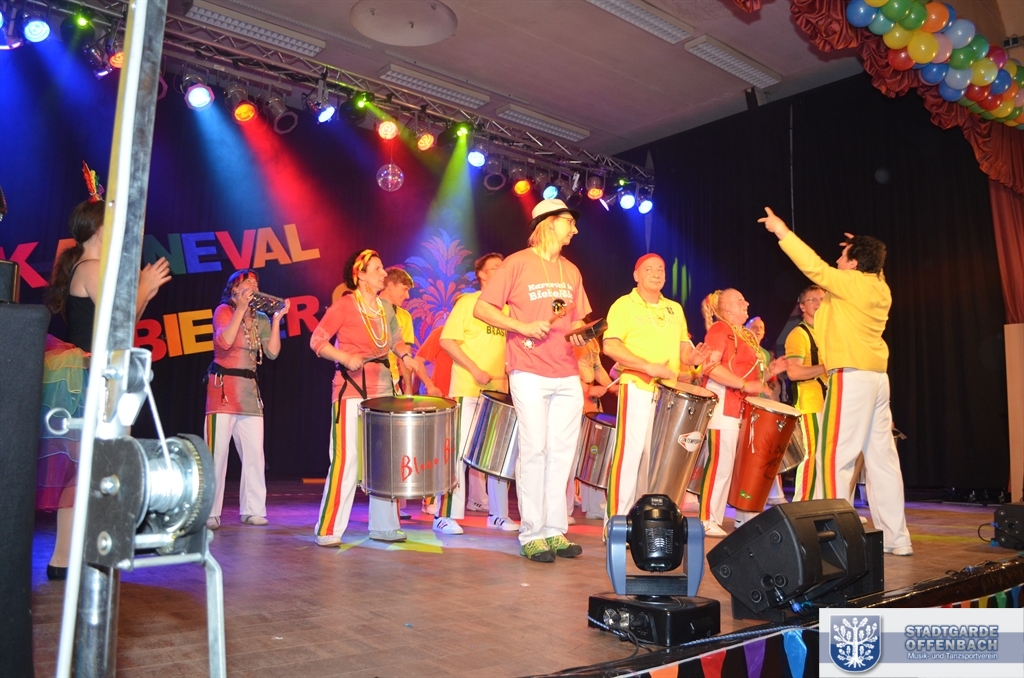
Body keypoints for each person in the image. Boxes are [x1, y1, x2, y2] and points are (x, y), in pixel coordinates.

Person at [39, 168, 171, 579]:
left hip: (94, 368)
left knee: (88, 469)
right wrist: (144, 286)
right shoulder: (93, 266)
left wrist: (144, 291)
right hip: (90, 372)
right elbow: (118, 323)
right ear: (99, 230)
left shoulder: (89, 265)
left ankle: (68, 558)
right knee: (93, 467)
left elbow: (122, 327)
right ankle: (75, 556)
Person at [759, 207, 913, 556]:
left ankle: (828, 537)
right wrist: (865, 250)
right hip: (877, 377)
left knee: (834, 456)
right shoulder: (880, 286)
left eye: (844, 257)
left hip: (852, 376)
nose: (838, 260)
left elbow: (813, 266)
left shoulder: (851, 284)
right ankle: (896, 538)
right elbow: (871, 266)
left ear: (855, 264)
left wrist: (782, 231)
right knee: (882, 460)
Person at [475, 198, 590, 563]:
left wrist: (585, 342)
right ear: (549, 222)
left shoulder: (571, 271)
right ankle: (532, 533)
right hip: (528, 369)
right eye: (569, 222)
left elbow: (575, 321)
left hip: (566, 371)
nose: (574, 229)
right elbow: (482, 308)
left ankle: (554, 530)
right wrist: (522, 326)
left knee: (561, 453)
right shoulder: (517, 263)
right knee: (535, 449)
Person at [311, 249, 424, 546]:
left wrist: (406, 357)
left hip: (383, 391)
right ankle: (328, 529)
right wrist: (344, 357)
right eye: (377, 269)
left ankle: (384, 526)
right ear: (359, 275)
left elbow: (396, 341)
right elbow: (317, 341)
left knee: (384, 460)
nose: (384, 273)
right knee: (346, 460)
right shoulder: (345, 305)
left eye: (383, 268)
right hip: (351, 390)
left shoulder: (386, 308)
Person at [600, 254, 710, 524]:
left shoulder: (674, 308)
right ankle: (616, 522)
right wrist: (648, 366)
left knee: (654, 458)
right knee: (630, 454)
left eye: (661, 269)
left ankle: (643, 521)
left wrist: (693, 357)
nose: (657, 273)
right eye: (649, 269)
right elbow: (610, 345)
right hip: (638, 386)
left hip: (669, 394)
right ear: (636, 275)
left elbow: (683, 349)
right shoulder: (624, 305)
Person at [434, 252, 519, 534]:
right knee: (458, 452)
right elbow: (447, 341)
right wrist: (475, 370)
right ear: (481, 274)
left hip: (498, 394)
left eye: (503, 268)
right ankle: (445, 515)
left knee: (498, 456)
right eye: (495, 268)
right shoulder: (468, 302)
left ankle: (498, 515)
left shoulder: (509, 309)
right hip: (468, 389)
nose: (500, 272)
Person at [696, 290, 785, 537]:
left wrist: (770, 372)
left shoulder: (745, 334)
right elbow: (710, 367)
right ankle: (706, 519)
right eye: (739, 300)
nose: (746, 303)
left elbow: (751, 376)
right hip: (724, 403)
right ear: (725, 308)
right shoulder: (719, 329)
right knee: (721, 464)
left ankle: (741, 516)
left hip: (745, 408)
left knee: (739, 467)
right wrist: (745, 385)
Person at [204, 270, 289, 530]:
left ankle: (253, 510)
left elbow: (272, 353)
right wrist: (240, 309)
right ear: (234, 290)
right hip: (223, 391)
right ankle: (210, 512)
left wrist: (276, 320)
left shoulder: (260, 318)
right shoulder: (224, 311)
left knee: (254, 455)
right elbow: (224, 342)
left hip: (250, 394)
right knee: (216, 455)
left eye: (256, 282)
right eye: (247, 282)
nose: (254, 285)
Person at [784, 285, 828, 502]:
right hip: (811, 403)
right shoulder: (799, 334)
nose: (819, 303)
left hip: (829, 402)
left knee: (826, 457)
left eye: (822, 299)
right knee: (813, 455)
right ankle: (802, 506)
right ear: (802, 306)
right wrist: (826, 367)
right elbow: (793, 372)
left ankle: (822, 504)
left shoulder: (827, 332)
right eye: (813, 300)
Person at [571, 336, 617, 521]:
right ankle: (566, 505)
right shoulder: (570, 334)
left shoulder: (591, 339)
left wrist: (612, 387)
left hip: (591, 402)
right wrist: (587, 390)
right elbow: (565, 369)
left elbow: (597, 367)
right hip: (574, 396)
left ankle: (595, 505)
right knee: (573, 454)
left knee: (593, 452)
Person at [744, 315, 786, 505]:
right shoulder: (742, 347)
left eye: (761, 327)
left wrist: (772, 373)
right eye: (754, 326)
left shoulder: (765, 354)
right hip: (743, 403)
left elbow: (765, 381)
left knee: (765, 449)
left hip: (760, 406)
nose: (758, 329)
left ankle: (773, 494)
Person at [380, 267, 416, 394]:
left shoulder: (404, 316)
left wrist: (408, 388)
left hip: (392, 381)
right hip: (366, 379)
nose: (407, 296)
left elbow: (405, 355)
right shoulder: (367, 308)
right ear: (390, 285)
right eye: (404, 289)